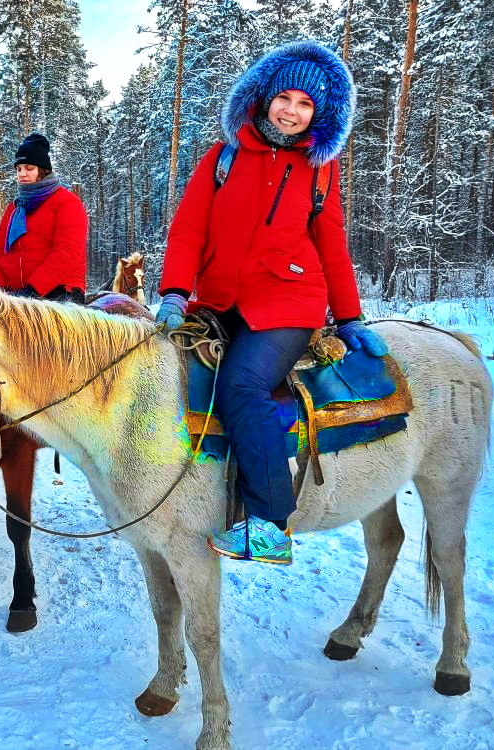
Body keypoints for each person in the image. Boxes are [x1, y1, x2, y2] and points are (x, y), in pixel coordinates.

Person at [156, 41, 387, 565]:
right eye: (285, 97)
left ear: (320, 114)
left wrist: (348, 317)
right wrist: (173, 291)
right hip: (218, 301)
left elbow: (332, 245)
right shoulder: (223, 157)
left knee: (242, 385)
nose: (292, 110)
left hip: (287, 303)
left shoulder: (321, 171)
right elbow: (189, 230)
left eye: (306, 104)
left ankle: (268, 524)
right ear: (263, 98)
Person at [0, 133, 87, 303]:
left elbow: (67, 253)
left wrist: (32, 290)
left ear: (43, 170)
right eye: (18, 169)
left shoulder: (67, 202)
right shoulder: (14, 208)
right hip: (16, 294)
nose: (22, 174)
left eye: (29, 168)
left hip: (59, 290)